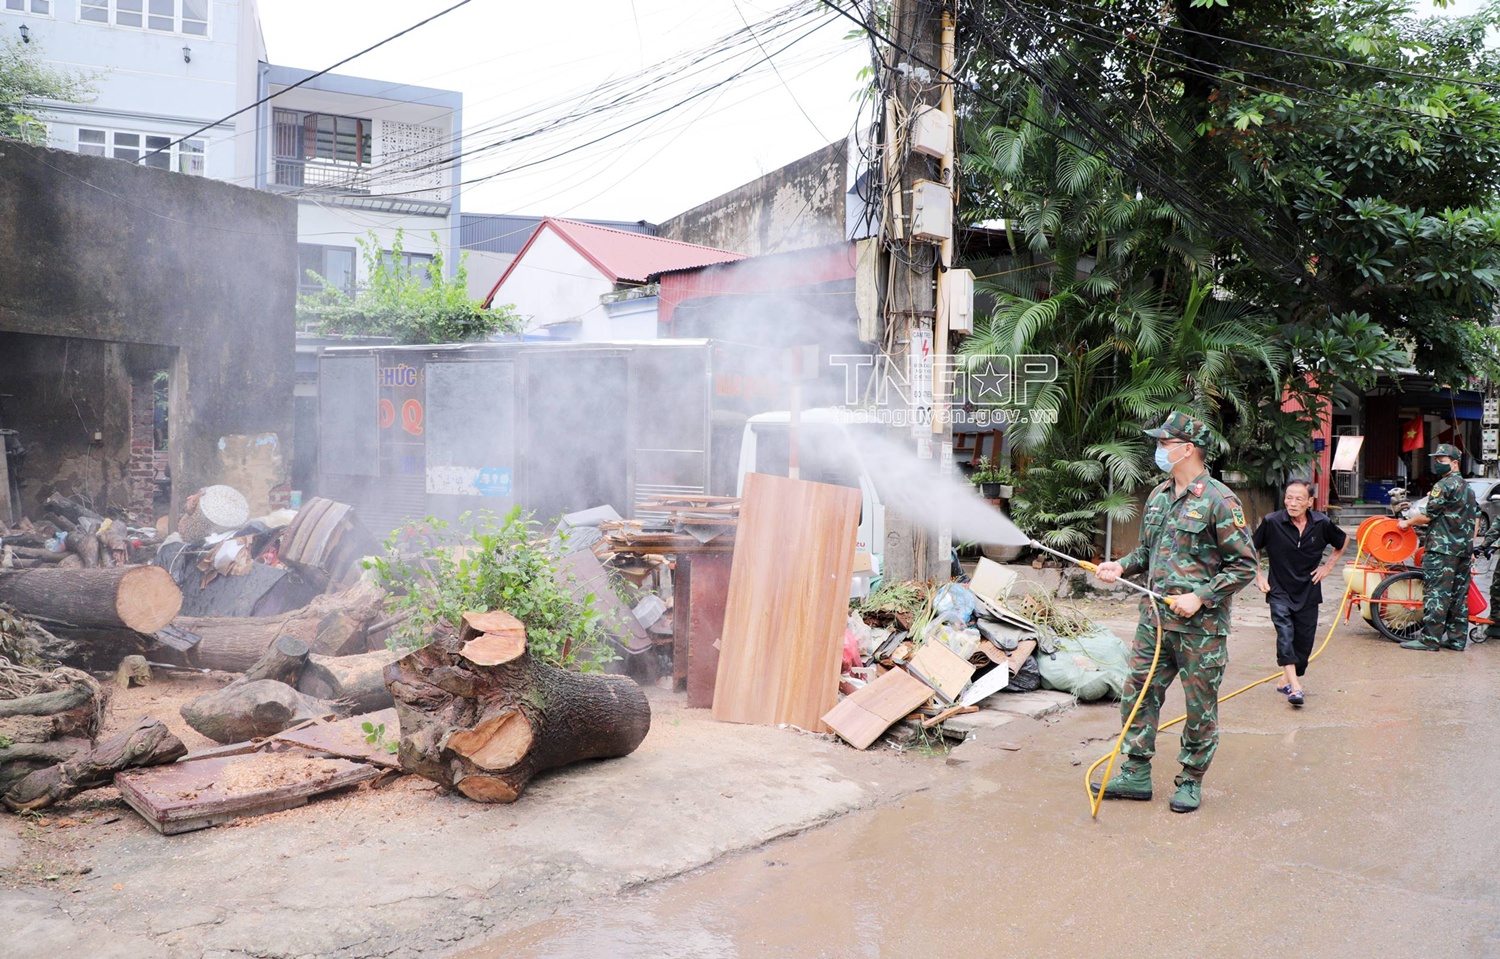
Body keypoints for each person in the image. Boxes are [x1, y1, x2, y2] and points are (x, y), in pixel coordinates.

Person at [1093, 412, 1259, 813]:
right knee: (1137, 695)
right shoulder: (1159, 495)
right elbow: (1148, 551)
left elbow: (1244, 566)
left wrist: (1200, 596)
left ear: (1187, 449)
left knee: (1199, 707)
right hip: (1154, 621)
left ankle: (1190, 780)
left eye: (1163, 444)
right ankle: (1135, 773)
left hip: (1200, 629)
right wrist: (1121, 565)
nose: (1157, 450)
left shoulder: (1220, 500)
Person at [1251, 480, 1348, 707]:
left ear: (1309, 502)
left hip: (1308, 589)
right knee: (1285, 635)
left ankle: (1285, 680)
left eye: (1298, 499)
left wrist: (1328, 567)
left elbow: (1343, 541)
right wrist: (1259, 576)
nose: (1292, 503)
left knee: (1304, 644)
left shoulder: (1322, 523)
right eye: (1288, 498)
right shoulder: (1272, 521)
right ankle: (1295, 687)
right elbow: (1251, 547)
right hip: (1279, 589)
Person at [1397, 443, 1479, 651]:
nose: (1437, 464)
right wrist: (1470, 545)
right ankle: (1456, 640)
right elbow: (1476, 517)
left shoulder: (1443, 485)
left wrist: (1407, 523)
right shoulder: (1468, 487)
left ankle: (1430, 640)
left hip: (1442, 551)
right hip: (1463, 551)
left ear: (1454, 463)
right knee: (1458, 597)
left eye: (1442, 461)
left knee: (1437, 593)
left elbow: (1427, 515)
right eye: (1436, 460)